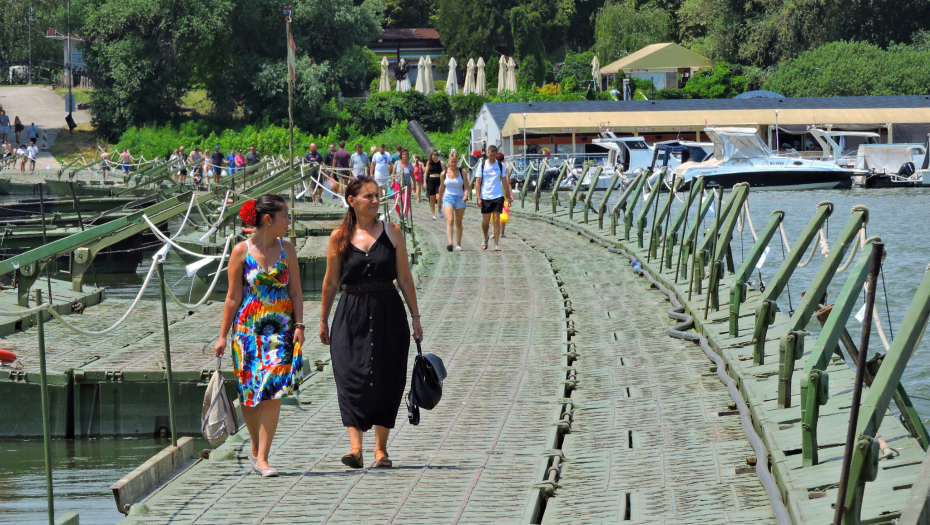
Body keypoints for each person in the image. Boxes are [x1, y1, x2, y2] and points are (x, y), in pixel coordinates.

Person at [319, 177, 422, 469]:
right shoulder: (339, 236)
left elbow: (404, 277)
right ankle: (355, 447)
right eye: (368, 196)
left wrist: (416, 317)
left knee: (388, 377)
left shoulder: (393, 232)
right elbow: (330, 282)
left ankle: (380, 449)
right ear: (352, 201)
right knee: (350, 375)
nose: (376, 201)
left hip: (389, 310)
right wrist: (323, 320)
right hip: (351, 314)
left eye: (377, 196)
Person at [215, 194, 304, 477]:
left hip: (280, 329)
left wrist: (300, 324)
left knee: (273, 391)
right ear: (269, 220)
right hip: (246, 331)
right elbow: (232, 297)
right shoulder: (241, 251)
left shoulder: (287, 249)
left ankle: (263, 457)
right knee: (250, 395)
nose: (288, 221)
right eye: (285, 216)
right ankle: (256, 445)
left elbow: (296, 291)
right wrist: (221, 336)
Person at [475, 145, 513, 251]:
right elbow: (477, 183)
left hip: (498, 195)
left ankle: (496, 244)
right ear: (488, 154)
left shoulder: (500, 166)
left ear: (496, 155)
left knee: (496, 220)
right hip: (485, 195)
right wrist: (478, 198)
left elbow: (505, 182)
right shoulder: (482, 165)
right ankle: (485, 237)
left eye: (494, 155)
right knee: (485, 222)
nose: (492, 157)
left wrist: (509, 196)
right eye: (490, 155)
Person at [438, 152, 470, 252]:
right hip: (448, 197)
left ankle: (458, 244)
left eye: (455, 162)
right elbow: (441, 188)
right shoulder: (444, 174)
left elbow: (466, 187)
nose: (454, 164)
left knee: (459, 222)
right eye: (452, 162)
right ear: (449, 161)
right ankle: (450, 243)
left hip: (460, 198)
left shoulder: (462, 172)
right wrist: (439, 202)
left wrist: (465, 195)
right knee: (450, 220)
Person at [424, 149, 445, 220]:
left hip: (439, 180)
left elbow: (444, 172)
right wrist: (424, 182)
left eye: (436, 157)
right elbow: (426, 173)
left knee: (439, 198)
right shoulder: (429, 163)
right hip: (431, 181)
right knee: (432, 199)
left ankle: (439, 210)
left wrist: (444, 182)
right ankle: (433, 214)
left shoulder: (441, 163)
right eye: (433, 157)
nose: (434, 158)